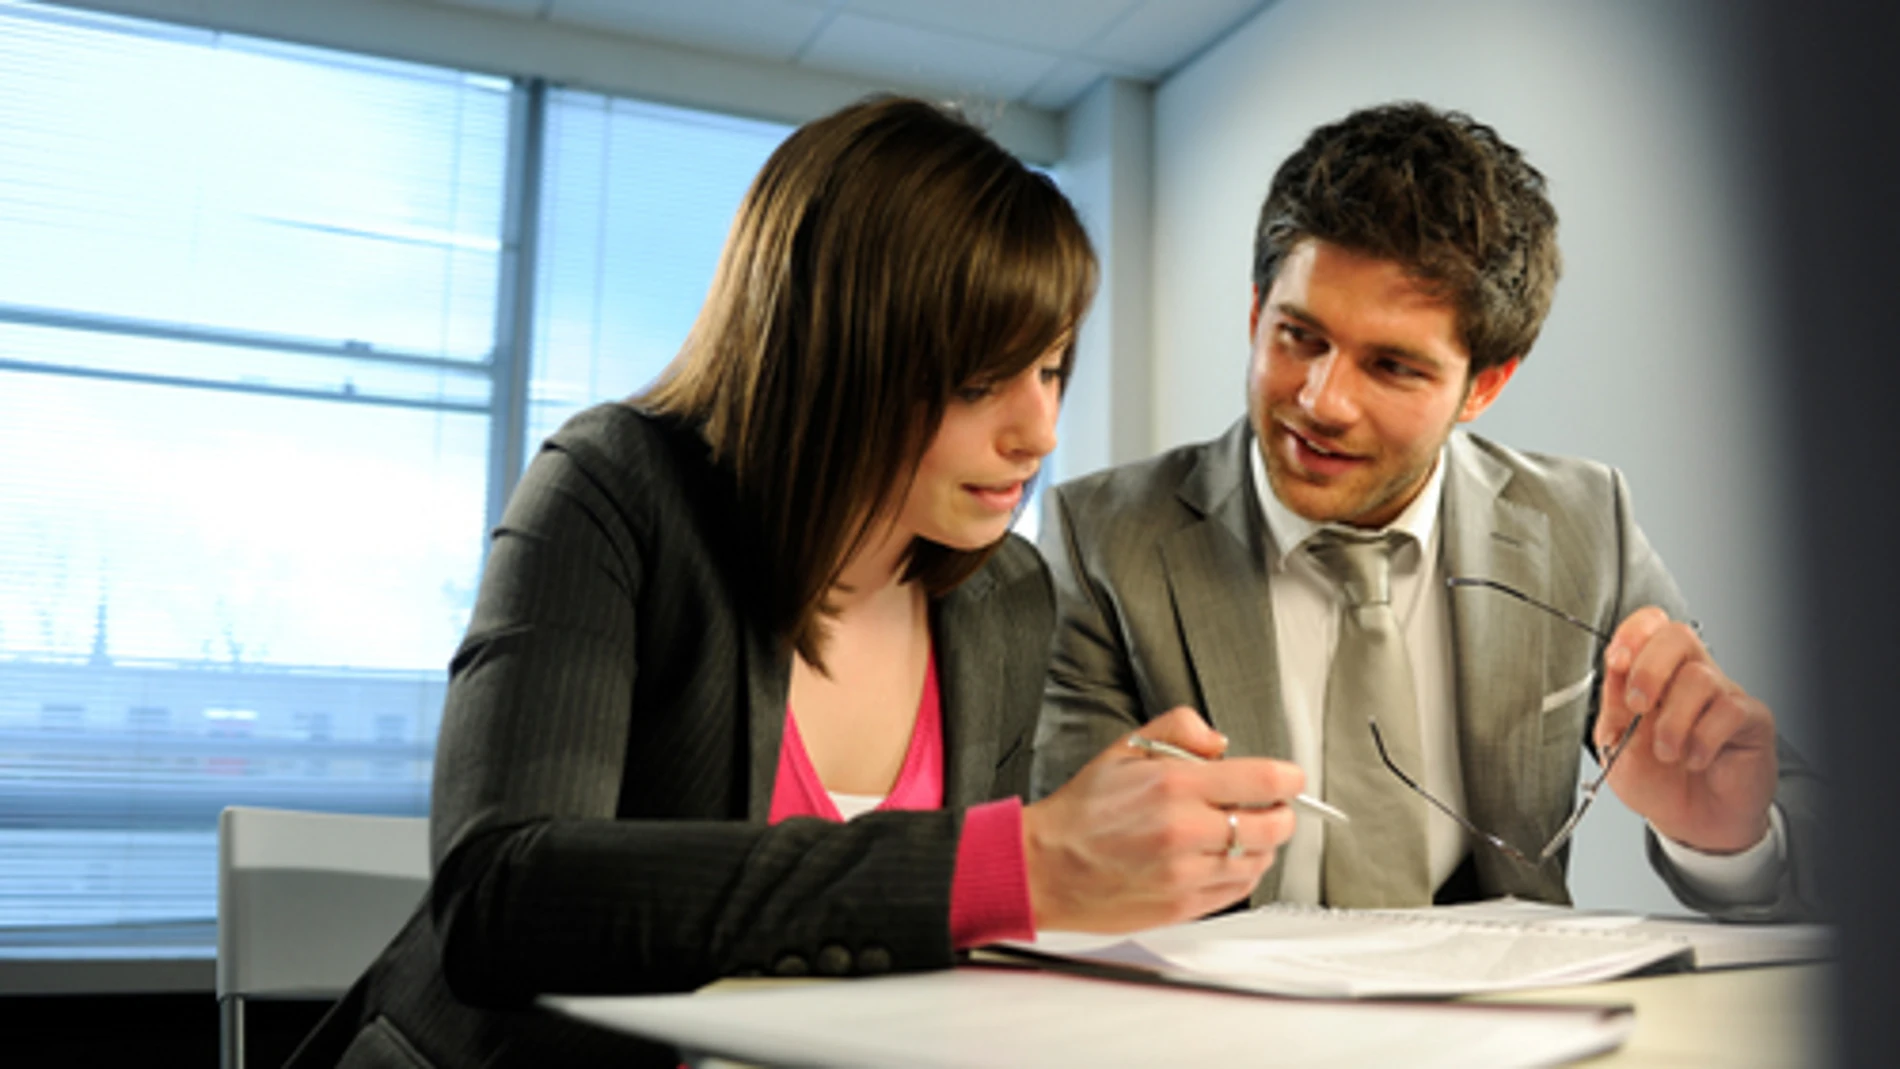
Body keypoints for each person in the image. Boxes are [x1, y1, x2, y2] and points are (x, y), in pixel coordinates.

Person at [286, 96, 1306, 1069]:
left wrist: (1120, 856)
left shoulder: (1008, 593)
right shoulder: (613, 489)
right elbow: (499, 898)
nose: (1037, 430)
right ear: (832, 355)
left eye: (1049, 368)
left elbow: (924, 941)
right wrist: (1015, 862)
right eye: (974, 383)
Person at [1032, 101, 1821, 919]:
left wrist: (1726, 838)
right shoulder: (1100, 540)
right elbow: (1071, 871)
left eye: (1393, 366)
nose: (1321, 400)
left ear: (1485, 385)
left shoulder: (1588, 524)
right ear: (1255, 313)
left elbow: (1805, 818)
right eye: (1299, 335)